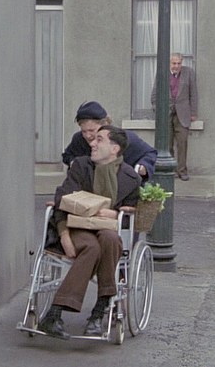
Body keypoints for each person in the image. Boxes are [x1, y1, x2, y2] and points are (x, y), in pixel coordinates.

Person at [38, 125, 142, 339]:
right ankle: (55, 313)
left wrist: (115, 214)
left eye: (99, 140)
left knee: (110, 239)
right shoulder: (81, 166)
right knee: (92, 247)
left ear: (115, 149)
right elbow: (61, 199)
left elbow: (133, 214)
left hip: (107, 230)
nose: (92, 143)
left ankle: (98, 312)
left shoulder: (131, 178)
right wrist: (64, 235)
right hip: (76, 228)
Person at [62, 101, 157, 183]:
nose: (88, 136)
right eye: (84, 131)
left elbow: (150, 153)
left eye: (92, 130)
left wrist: (143, 166)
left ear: (105, 124)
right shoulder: (79, 139)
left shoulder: (126, 138)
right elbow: (67, 155)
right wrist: (73, 162)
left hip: (124, 188)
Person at [151, 52, 198, 181]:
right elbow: (155, 93)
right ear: (169, 63)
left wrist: (193, 113)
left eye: (179, 63)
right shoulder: (162, 73)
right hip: (166, 114)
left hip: (183, 114)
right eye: (174, 63)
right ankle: (170, 170)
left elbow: (193, 94)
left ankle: (182, 171)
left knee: (182, 143)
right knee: (167, 144)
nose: (176, 66)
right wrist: (157, 110)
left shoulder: (189, 73)